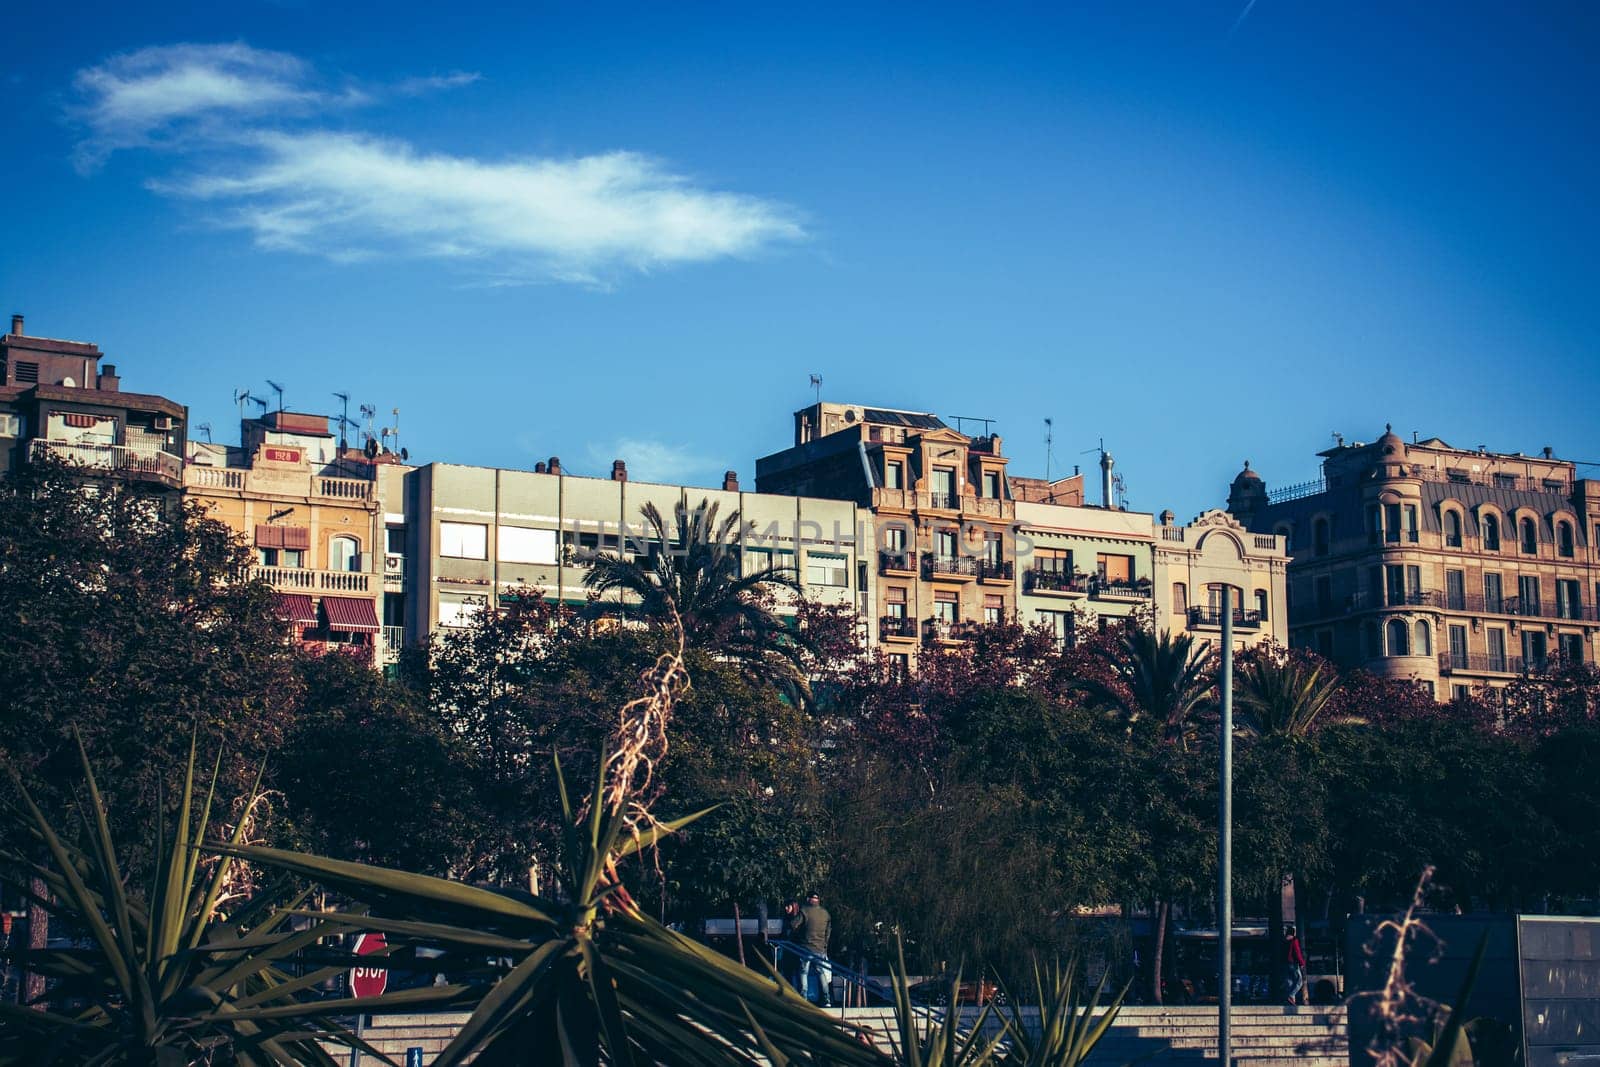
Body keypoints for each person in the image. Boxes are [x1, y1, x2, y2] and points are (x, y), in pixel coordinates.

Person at [798, 891, 834, 1007]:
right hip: (820, 949)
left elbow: (794, 925)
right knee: (821, 972)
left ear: (809, 899)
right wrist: (824, 945)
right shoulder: (825, 913)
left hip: (806, 947)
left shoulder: (804, 911)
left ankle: (804, 998)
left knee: (804, 972)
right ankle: (827, 999)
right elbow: (828, 932)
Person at [781, 900, 805, 993]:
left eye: (788, 906)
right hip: (787, 951)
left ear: (794, 907)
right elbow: (783, 934)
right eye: (785, 906)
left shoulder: (798, 919)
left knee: (799, 974)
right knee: (787, 973)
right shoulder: (786, 919)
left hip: (796, 950)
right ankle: (789, 992)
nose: (786, 908)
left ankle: (799, 994)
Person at [1284, 924, 1307, 1006]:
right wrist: (1301, 963)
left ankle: (1290, 1000)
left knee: (1290, 982)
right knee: (1299, 981)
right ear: (1293, 933)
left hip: (1286, 964)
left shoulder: (1284, 941)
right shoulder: (1294, 940)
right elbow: (1297, 953)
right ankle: (1291, 996)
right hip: (1293, 964)